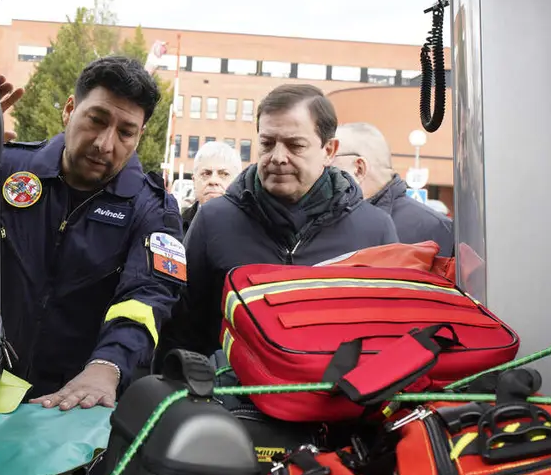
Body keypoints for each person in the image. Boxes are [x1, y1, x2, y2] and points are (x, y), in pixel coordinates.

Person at [156, 84, 398, 363]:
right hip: (226, 402)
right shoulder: (213, 221)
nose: (278, 157)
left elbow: (388, 341)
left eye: (295, 145)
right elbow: (180, 332)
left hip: (339, 402)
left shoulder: (375, 231)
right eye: (267, 143)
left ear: (329, 150)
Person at [0, 56, 185, 410]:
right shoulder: (3, 168)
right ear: (70, 110)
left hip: (72, 405)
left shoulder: (153, 210)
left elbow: (149, 297)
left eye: (125, 132)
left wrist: (107, 366)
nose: (104, 143)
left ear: (139, 136)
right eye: (96, 120)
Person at [333, 122, 454, 256]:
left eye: (331, 160)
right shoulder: (324, 223)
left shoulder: (437, 230)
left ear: (359, 168)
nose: (322, 170)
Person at [181, 141, 243, 233]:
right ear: (194, 181)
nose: (213, 181)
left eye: (224, 174)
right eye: (206, 173)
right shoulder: (176, 228)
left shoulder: (253, 229)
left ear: (238, 181)